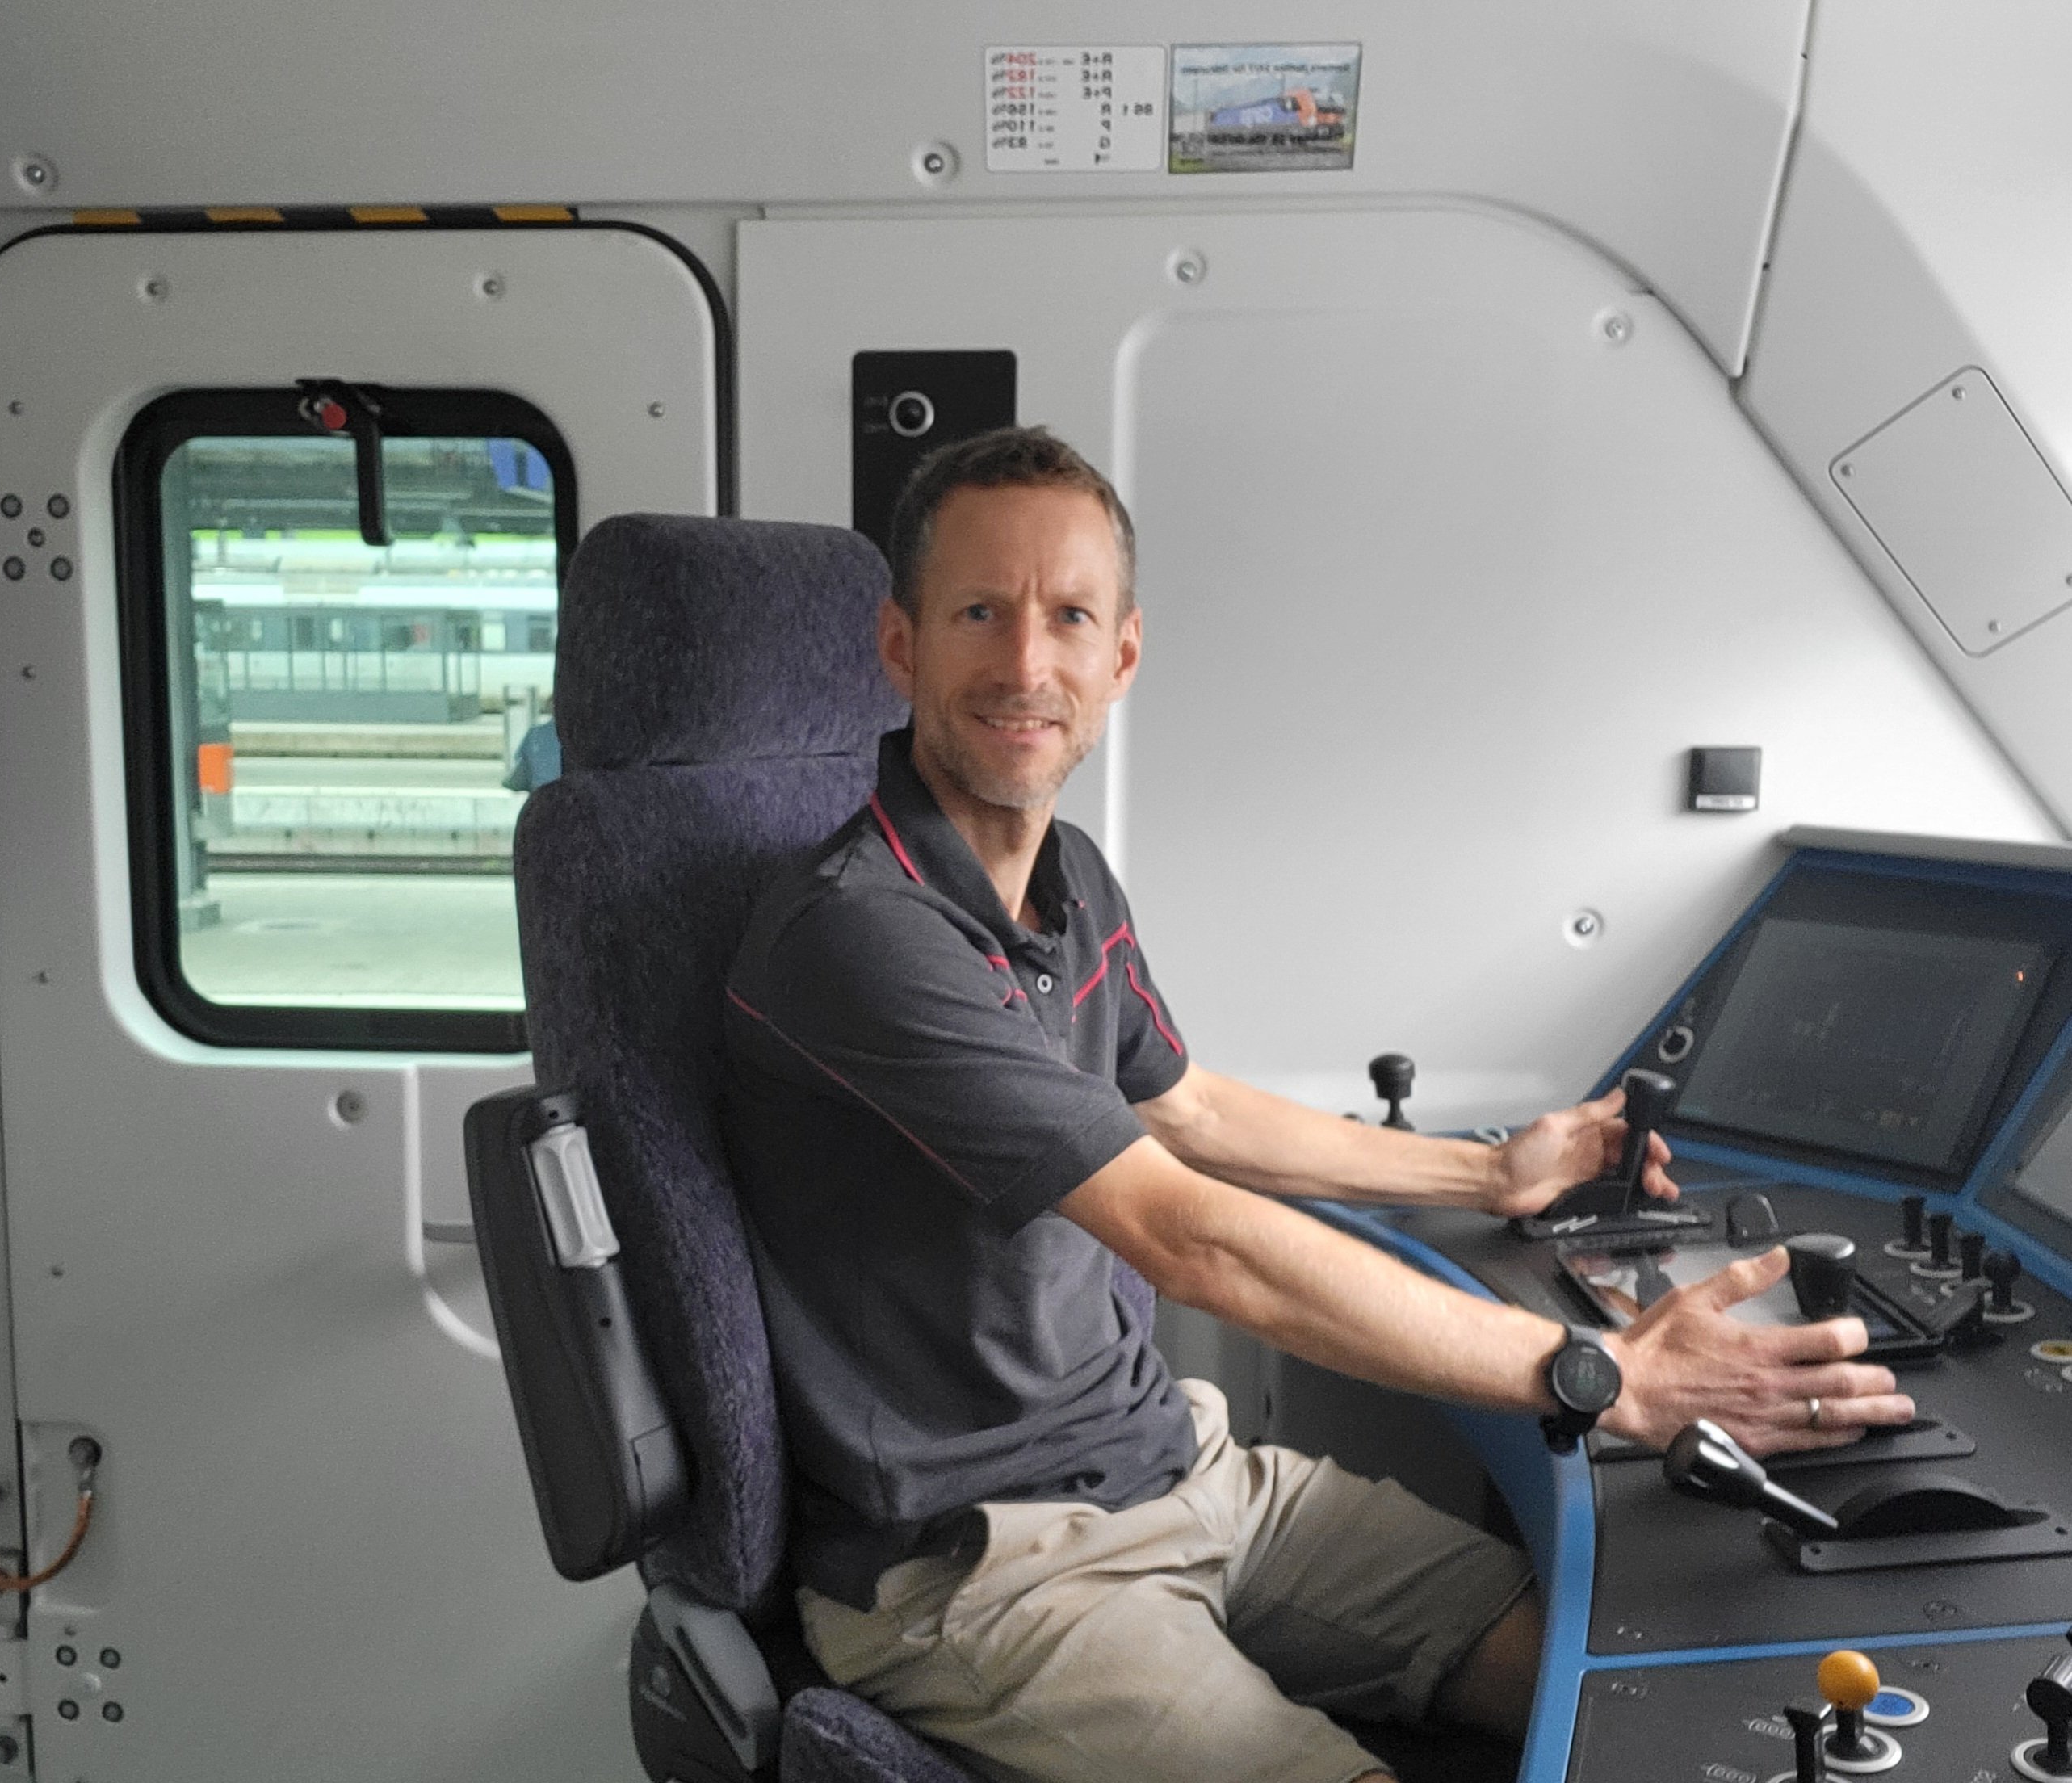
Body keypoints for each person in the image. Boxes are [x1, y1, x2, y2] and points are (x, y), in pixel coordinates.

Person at [720, 427, 1913, 1783]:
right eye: (980, 614)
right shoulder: (854, 931)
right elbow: (1190, 1239)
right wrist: (1602, 1374)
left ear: (1122, 654)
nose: (1025, 665)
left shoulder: (1068, 876)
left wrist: (1487, 1175)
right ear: (901, 645)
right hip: (984, 1563)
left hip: (1181, 1469)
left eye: (1069, 618)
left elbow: (1187, 1111)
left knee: (1628, 1693)